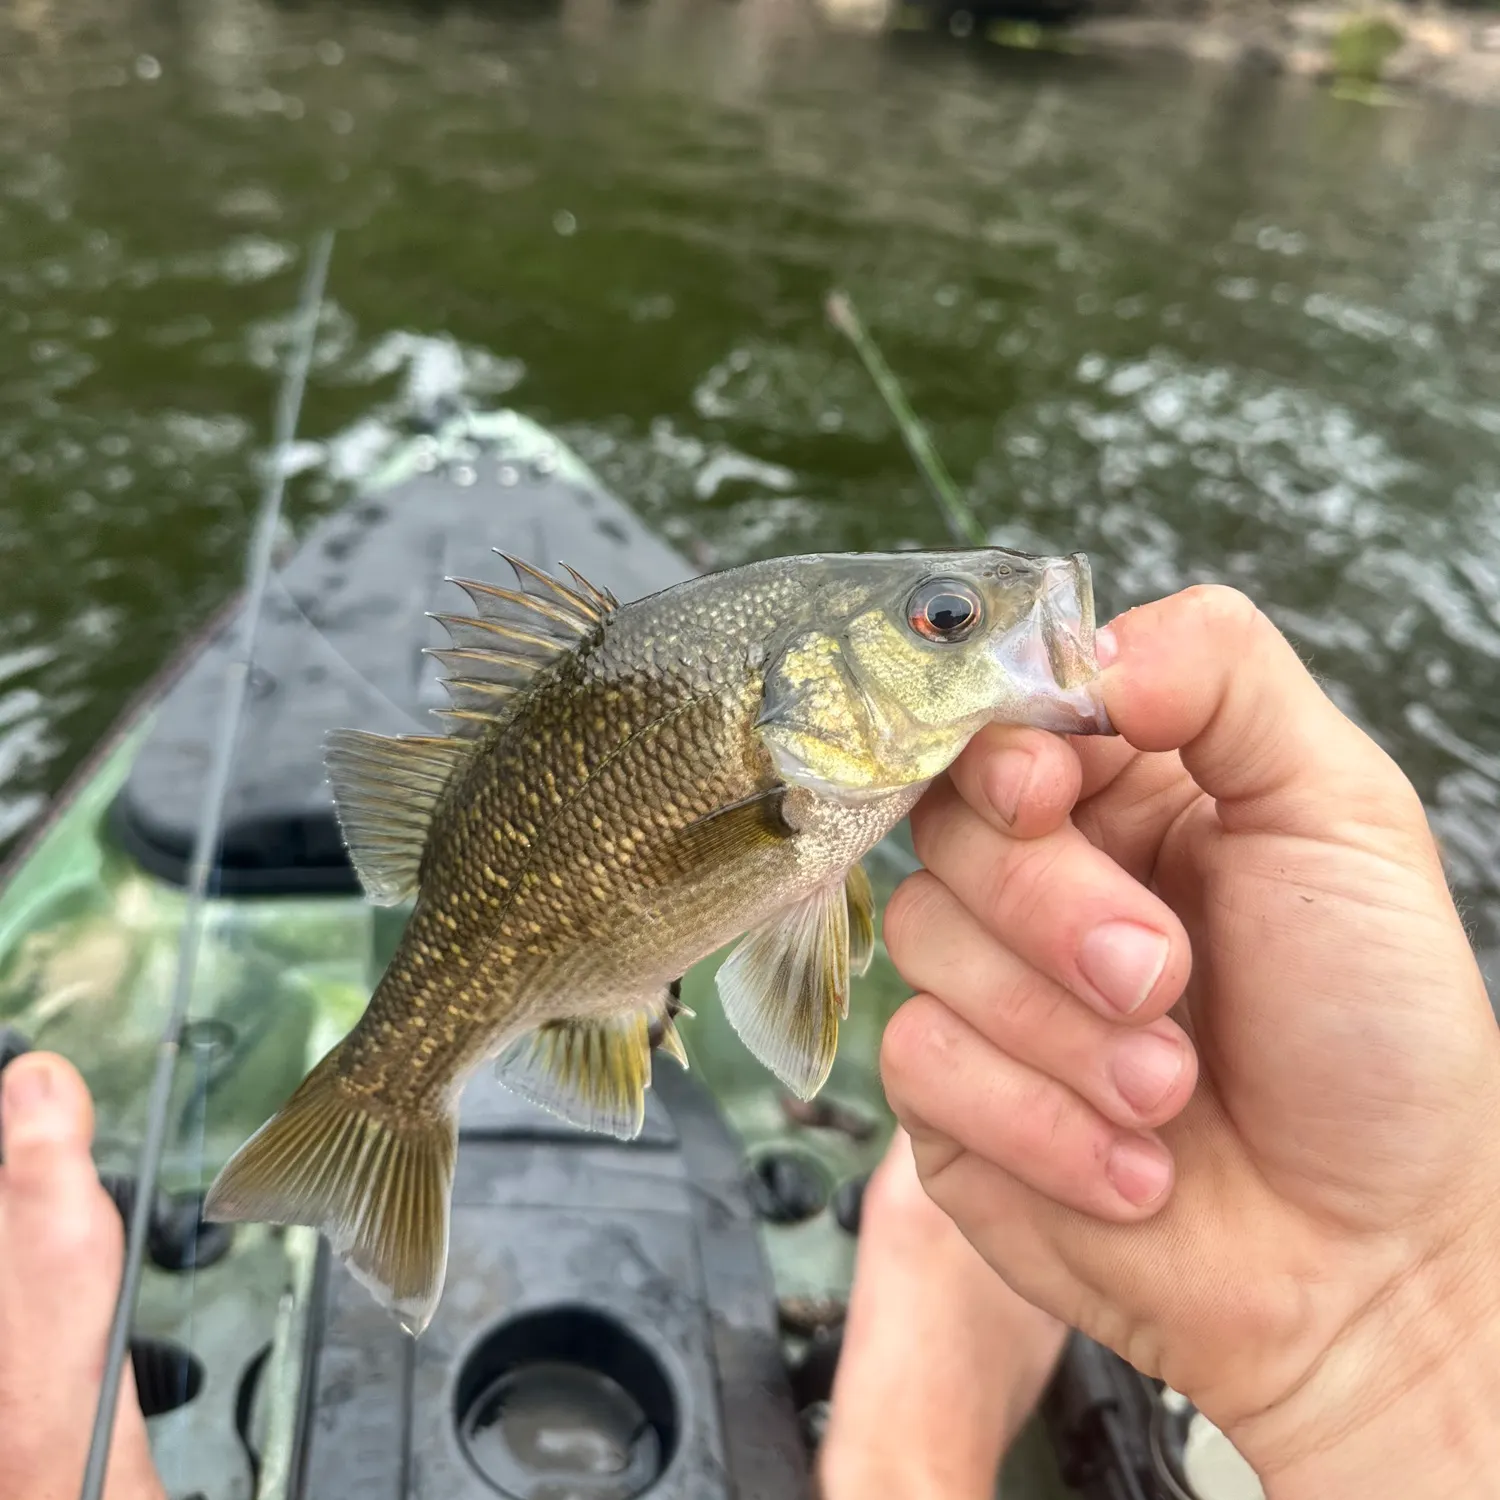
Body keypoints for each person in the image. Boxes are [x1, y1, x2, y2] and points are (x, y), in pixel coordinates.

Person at [2, 583, 1495, 1500]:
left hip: (694, 877)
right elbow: (782, 989)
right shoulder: (793, 790)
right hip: (610, 907)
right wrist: (1402, 1313)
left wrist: (1394, 1294)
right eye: (943, 624)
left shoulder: (812, 790)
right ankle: (903, 1464)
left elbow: (786, 980)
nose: (989, 622)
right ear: (807, 695)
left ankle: (65, 1468)